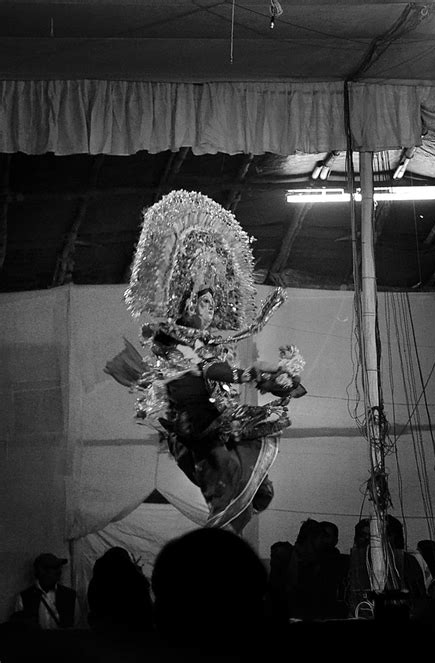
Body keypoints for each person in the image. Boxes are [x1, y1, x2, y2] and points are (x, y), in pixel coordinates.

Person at [105, 190, 306, 533]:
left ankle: (236, 504)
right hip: (193, 416)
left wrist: (275, 378)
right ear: (187, 306)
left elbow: (219, 371)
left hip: (217, 414)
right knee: (220, 466)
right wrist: (254, 374)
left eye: (213, 303)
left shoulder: (214, 341)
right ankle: (226, 507)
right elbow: (202, 370)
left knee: (247, 464)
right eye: (203, 302)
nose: (209, 308)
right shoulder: (171, 336)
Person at [87, 546, 153, 632]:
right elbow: (148, 609)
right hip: (134, 632)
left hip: (104, 633)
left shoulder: (97, 580)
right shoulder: (135, 581)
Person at [11, 553, 78, 629]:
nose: (59, 571)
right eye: (54, 568)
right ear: (41, 571)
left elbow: (77, 624)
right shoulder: (24, 597)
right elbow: (19, 628)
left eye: (59, 567)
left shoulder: (70, 595)